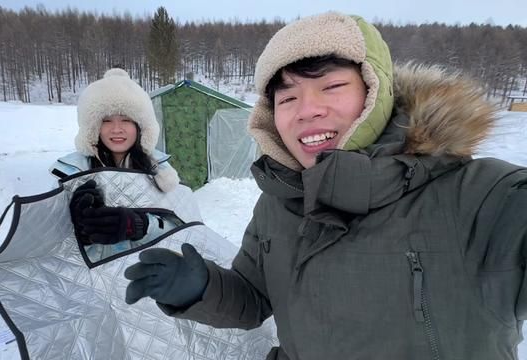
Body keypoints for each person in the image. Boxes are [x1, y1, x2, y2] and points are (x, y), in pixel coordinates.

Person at [103, 12, 527, 360]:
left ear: (375, 94)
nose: (307, 110)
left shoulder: (479, 197)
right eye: (287, 98)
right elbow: (253, 298)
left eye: (332, 86)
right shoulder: (278, 202)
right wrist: (202, 289)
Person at [55, 68, 180, 251]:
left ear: (140, 126)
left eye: (126, 119)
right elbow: (46, 239)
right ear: (93, 127)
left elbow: (184, 229)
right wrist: (77, 226)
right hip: (92, 275)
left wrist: (139, 225)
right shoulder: (69, 173)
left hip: (147, 273)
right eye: (106, 120)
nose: (116, 129)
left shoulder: (161, 171)